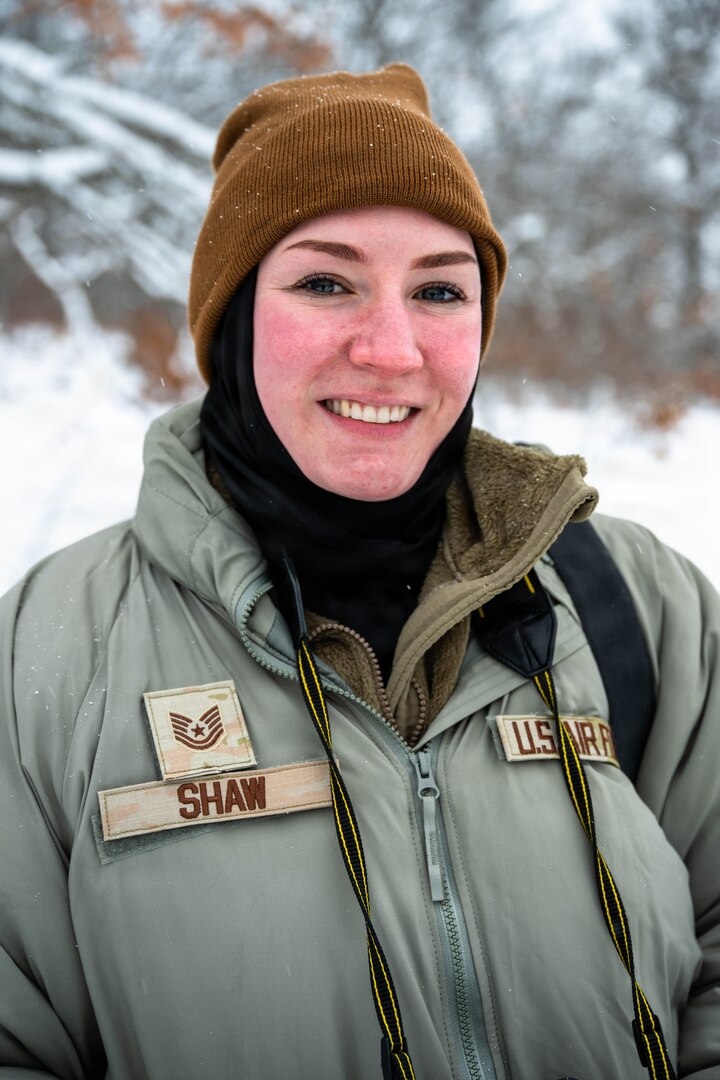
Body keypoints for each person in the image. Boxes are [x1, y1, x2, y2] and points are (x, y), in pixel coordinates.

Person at [0, 63, 717, 1080]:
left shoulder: (637, 607)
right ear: (235, 317)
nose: (391, 349)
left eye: (438, 290)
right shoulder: (49, 652)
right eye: (326, 282)